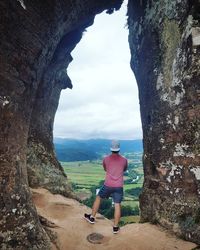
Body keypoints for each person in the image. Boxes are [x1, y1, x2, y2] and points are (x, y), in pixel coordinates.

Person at [84, 140, 128, 234]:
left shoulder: (106, 159)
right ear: (119, 149)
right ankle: (115, 227)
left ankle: (92, 217)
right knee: (117, 205)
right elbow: (124, 169)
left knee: (99, 197)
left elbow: (105, 169)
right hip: (119, 186)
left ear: (111, 149)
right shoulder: (124, 160)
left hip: (108, 184)